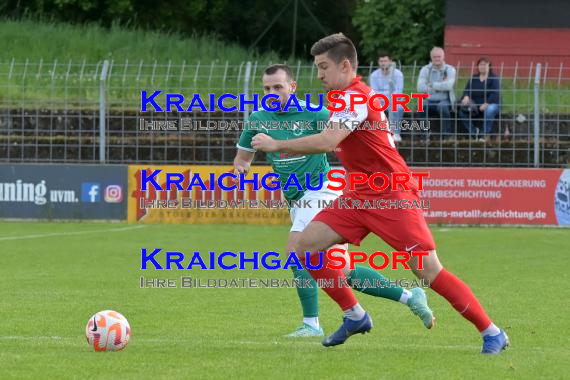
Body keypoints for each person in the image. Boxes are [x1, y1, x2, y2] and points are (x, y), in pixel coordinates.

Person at [251, 34, 509, 354]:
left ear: (344, 65)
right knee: (304, 248)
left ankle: (492, 331)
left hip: (391, 194)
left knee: (428, 271)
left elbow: (329, 141)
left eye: (323, 67)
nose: (318, 74)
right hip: (359, 194)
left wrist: (277, 145)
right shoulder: (343, 97)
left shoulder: (355, 98)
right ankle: (355, 315)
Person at [234, 64, 434, 337]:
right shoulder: (257, 119)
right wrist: (240, 169)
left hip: (322, 190)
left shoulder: (316, 113)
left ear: (292, 87)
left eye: (278, 87)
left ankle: (313, 323)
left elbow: (347, 135)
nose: (272, 93)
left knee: (297, 252)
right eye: (267, 88)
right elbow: (243, 157)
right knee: (341, 270)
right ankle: (410, 297)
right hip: (296, 198)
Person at [417, 47, 456, 141]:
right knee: (421, 105)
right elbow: (420, 87)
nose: (437, 59)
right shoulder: (425, 69)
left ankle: (446, 136)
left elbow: (449, 86)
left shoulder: (450, 69)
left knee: (442, 107)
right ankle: (425, 134)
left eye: (439, 56)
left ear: (443, 57)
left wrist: (432, 84)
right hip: (428, 99)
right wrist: (440, 87)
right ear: (431, 58)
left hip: (444, 100)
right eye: (434, 57)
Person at [458, 57, 500, 142]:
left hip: (491, 104)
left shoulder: (494, 78)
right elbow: (467, 90)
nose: (483, 66)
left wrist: (487, 103)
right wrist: (466, 97)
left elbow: (495, 93)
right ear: (478, 66)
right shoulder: (474, 78)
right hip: (475, 105)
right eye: (481, 64)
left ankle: (483, 135)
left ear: (489, 66)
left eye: (485, 64)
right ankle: (474, 133)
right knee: (462, 111)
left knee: (489, 110)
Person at [369, 51, 404, 142]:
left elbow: (399, 93)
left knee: (398, 108)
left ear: (390, 61)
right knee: (371, 109)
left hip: (395, 101)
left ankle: (395, 134)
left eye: (385, 61)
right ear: (378, 62)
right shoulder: (374, 75)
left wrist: (383, 95)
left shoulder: (398, 74)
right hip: (380, 102)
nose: (383, 63)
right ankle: (377, 136)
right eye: (381, 61)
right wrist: (388, 94)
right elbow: (374, 93)